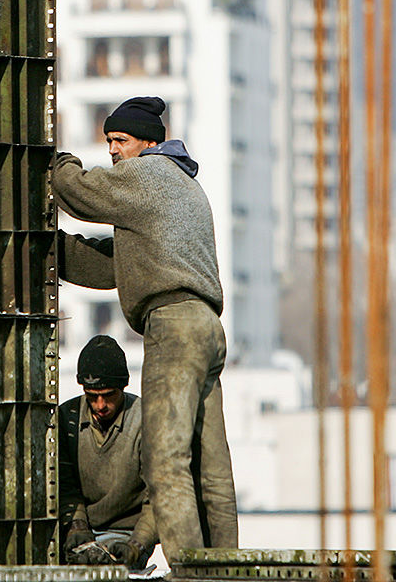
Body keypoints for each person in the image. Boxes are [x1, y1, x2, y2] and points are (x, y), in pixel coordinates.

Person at [52, 96, 238, 556]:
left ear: (149, 143)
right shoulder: (184, 186)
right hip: (206, 329)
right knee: (211, 467)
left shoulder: (147, 174)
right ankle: (225, 564)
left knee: (164, 459)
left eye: (120, 140)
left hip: (173, 328)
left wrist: (57, 163)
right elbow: (114, 267)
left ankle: (189, 568)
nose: (113, 150)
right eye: (108, 141)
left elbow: (79, 194)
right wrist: (53, 252)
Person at [58, 335, 157, 569]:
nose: (100, 405)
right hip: (81, 533)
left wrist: (137, 544)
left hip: (127, 535)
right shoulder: (66, 418)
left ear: (123, 387)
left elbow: (159, 496)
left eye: (108, 395)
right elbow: (64, 484)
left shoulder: (146, 420)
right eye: (92, 397)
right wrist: (76, 528)